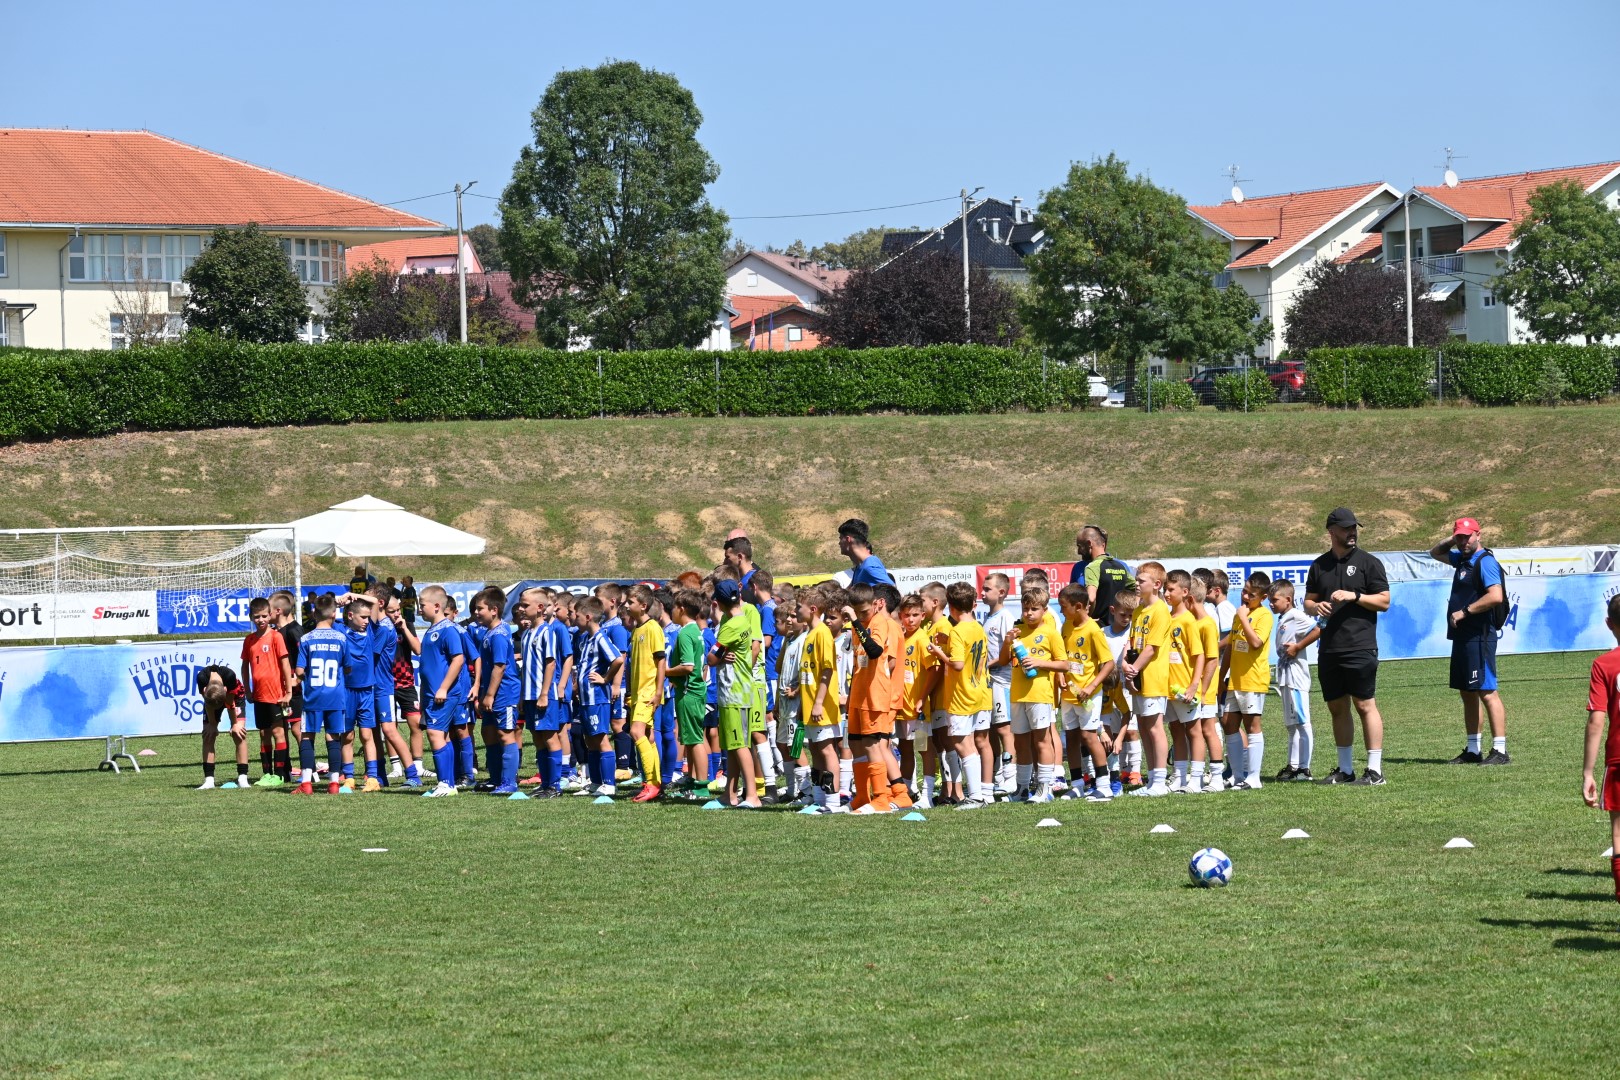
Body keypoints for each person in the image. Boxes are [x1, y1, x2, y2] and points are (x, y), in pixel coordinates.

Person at [1304, 507, 1392, 786]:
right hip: (1329, 647)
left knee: (1365, 705)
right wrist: (1315, 607)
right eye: (1346, 528)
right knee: (1337, 707)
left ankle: (1374, 771)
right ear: (1331, 532)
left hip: (1360, 646)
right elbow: (1308, 601)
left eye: (1354, 527)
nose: (1352, 532)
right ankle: (1345, 770)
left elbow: (1384, 601)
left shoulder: (1369, 563)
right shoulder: (1319, 565)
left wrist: (1355, 596)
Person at [1429, 518, 1510, 765]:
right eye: (1460, 537)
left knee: (1487, 691)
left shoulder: (1485, 562)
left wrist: (1465, 612)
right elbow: (1435, 553)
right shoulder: (1462, 559)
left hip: (1479, 636)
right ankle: (1473, 750)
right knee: (1467, 691)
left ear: (1478, 535)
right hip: (1464, 637)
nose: (1464, 541)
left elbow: (1495, 596)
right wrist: (1452, 539)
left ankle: (1500, 750)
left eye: (1467, 536)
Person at [933, 581, 993, 811]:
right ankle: (980, 794)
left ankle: (975, 796)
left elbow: (957, 664)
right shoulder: (977, 626)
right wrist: (948, 642)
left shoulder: (957, 630)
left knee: (961, 743)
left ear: (951, 607)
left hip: (962, 695)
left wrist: (939, 652)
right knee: (971, 743)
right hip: (979, 691)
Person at [842, 583, 901, 813]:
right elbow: (858, 663)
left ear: (876, 605)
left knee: (872, 744)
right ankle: (862, 797)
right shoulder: (859, 624)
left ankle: (881, 799)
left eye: (865, 612)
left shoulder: (879, 623)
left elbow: (874, 651)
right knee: (856, 744)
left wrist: (856, 622)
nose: (862, 616)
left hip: (875, 694)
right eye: (858, 612)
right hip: (859, 695)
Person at [1006, 584, 1068, 803]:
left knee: (1042, 740)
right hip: (1018, 694)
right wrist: (1007, 642)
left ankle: (1045, 788)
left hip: (1040, 694)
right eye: (1025, 609)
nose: (1029, 613)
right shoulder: (1018, 631)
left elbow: (1064, 664)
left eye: (1034, 609)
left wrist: (1039, 663)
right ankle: (1022, 788)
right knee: (1020, 743)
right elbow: (1005, 660)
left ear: (1044, 610)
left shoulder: (1051, 633)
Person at [1057, 584, 1116, 802]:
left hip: (1088, 694)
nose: (1061, 610)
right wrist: (1060, 675)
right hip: (1068, 694)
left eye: (1064, 606)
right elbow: (1062, 657)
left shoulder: (1093, 630)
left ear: (1079, 606)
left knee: (1089, 736)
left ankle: (1104, 786)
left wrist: (1091, 687)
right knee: (1071, 737)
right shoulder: (1066, 625)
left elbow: (1108, 663)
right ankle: (1077, 785)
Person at [1581, 594, 1620, 904]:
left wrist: (1587, 772)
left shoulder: (1604, 664)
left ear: (1609, 624)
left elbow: (1597, 719)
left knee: (1619, 834)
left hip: (1618, 759)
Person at [1121, 562, 1173, 797]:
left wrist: (1133, 669)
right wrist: (1125, 663)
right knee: (1143, 726)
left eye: (1141, 581)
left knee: (1154, 727)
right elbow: (1131, 642)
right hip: (1138, 676)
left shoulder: (1160, 611)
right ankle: (1152, 779)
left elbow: (1152, 648)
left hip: (1153, 677)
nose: (1136, 584)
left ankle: (1160, 781)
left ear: (1157, 584)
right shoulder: (1139, 610)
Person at [709, 579, 760, 808]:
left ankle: (752, 796)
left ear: (719, 603)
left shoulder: (731, 626)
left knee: (739, 745)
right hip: (739, 690)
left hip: (734, 692)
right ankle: (729, 794)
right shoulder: (741, 619)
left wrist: (719, 655)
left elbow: (711, 658)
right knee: (733, 745)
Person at [1223, 572, 1275, 790]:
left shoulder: (1264, 615)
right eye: (1244, 591)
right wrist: (1221, 677)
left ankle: (1254, 778)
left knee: (1252, 726)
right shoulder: (1240, 614)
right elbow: (1230, 648)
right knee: (1228, 723)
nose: (1245, 597)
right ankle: (1237, 775)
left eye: (1251, 594)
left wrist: (1244, 618)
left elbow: (1255, 643)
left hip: (1253, 679)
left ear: (1263, 597)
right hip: (1234, 680)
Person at [415, 585, 468, 798]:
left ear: (437, 606)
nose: (419, 609)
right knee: (441, 736)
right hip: (431, 694)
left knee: (435, 734)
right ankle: (448, 783)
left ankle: (445, 783)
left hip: (444, 694)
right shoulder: (431, 630)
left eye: (422, 605)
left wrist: (444, 688)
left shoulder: (448, 630)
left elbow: (458, 659)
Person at [293, 595, 348, 796]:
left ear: (314, 614)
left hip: (313, 696)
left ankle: (306, 783)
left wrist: (304, 677)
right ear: (334, 614)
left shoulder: (306, 639)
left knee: (307, 736)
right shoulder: (342, 638)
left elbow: (299, 671)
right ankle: (334, 783)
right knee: (333, 737)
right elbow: (348, 667)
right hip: (335, 696)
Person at [473, 587, 523, 795]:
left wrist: (490, 695)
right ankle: (495, 779)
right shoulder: (490, 632)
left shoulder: (500, 635)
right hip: (492, 692)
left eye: (480, 609)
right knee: (489, 733)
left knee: (505, 734)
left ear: (494, 610)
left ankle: (509, 782)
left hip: (505, 692)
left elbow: (500, 667)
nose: (476, 613)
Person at [1162, 569, 1208, 794]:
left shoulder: (1188, 620)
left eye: (1171, 589)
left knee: (1194, 731)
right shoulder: (1166, 618)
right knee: (1176, 731)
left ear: (1185, 592)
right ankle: (1179, 777)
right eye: (1165, 589)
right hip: (1168, 687)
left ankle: (1196, 778)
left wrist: (1193, 685)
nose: (1166, 594)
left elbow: (1199, 655)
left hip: (1185, 687)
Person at [1270, 580, 1320, 782]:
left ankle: (1304, 769)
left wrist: (1298, 647)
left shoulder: (1297, 615)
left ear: (1288, 599)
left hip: (1296, 676)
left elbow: (1318, 629)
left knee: (1302, 722)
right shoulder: (1284, 617)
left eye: (1275, 600)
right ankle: (1293, 765)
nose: (1271, 604)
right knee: (1291, 724)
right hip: (1285, 676)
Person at [575, 596, 624, 798]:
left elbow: (618, 659)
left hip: (597, 698)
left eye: (577, 615)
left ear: (587, 617)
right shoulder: (586, 638)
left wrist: (606, 679)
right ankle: (596, 782)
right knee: (591, 740)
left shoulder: (600, 637)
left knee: (601, 738)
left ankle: (609, 784)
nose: (574, 619)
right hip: (586, 699)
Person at [239, 597, 293, 785]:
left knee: (279, 732)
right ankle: (267, 774)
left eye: (263, 616)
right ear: (251, 617)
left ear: (270, 615)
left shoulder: (276, 637)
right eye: (257, 617)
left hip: (276, 695)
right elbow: (245, 666)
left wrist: (288, 692)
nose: (260, 620)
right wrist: (247, 690)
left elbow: (285, 665)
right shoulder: (249, 640)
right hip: (259, 695)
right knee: (264, 734)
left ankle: (279, 774)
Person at [623, 584, 668, 802]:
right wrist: (630, 692)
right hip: (638, 692)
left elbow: (661, 661)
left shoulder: (653, 628)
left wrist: (658, 691)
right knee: (648, 737)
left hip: (649, 692)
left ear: (643, 606)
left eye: (630, 602)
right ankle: (655, 782)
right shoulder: (635, 631)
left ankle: (651, 783)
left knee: (636, 732)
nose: (626, 605)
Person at [666, 589, 711, 794]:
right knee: (691, 738)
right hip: (693, 690)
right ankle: (693, 781)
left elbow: (688, 666)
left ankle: (701, 786)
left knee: (694, 740)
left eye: (674, 607)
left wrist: (665, 671)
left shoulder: (685, 633)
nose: (672, 611)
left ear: (682, 609)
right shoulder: (694, 631)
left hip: (689, 691)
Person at [980, 572, 1017, 795]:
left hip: (1003, 681)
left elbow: (1009, 652)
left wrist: (985, 665)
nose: (982, 593)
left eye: (987, 589)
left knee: (1004, 729)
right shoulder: (988, 617)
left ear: (1001, 592)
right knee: (992, 728)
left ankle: (1011, 776)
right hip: (989, 681)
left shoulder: (1006, 617)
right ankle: (996, 774)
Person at [193, 664, 248, 790]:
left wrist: (235, 724)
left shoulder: (229, 676)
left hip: (235, 697)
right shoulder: (202, 679)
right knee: (208, 735)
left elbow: (230, 703)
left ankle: (243, 778)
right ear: (205, 689)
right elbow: (208, 703)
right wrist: (212, 724)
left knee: (239, 734)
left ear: (225, 688)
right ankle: (209, 780)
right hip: (212, 699)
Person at [1074, 525, 1132, 621]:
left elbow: (1091, 598)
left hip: (1101, 625)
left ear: (1089, 544)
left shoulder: (1120, 565)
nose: (1078, 552)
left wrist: (1086, 620)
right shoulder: (1078, 568)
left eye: (1079, 546)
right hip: (1109, 625)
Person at [838, 518, 895, 587]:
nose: (839, 543)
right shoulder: (860, 566)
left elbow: (892, 589)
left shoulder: (870, 566)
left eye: (840, 539)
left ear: (848, 539)